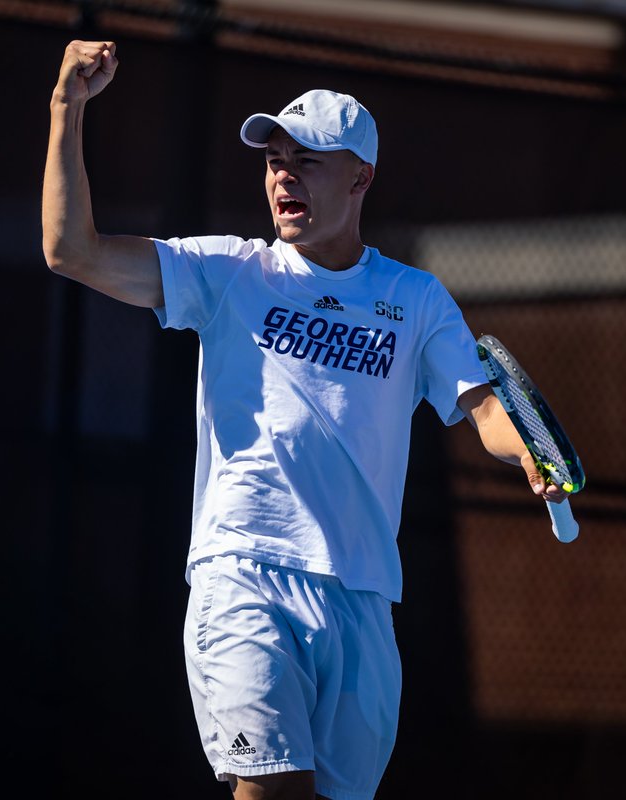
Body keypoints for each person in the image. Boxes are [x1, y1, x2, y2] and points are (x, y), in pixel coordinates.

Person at [42, 40, 567, 800]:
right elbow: (71, 251)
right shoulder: (227, 272)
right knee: (272, 791)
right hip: (243, 575)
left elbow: (482, 404)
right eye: (274, 159)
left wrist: (529, 454)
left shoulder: (415, 299)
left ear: (361, 178)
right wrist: (67, 107)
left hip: (360, 598)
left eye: (307, 160)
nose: (283, 173)